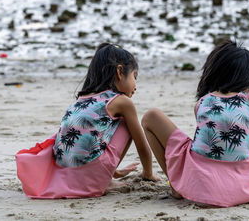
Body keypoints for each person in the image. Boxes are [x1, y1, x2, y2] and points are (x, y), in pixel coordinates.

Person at [16, 42, 160, 199]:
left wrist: (117, 172)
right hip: (91, 178)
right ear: (120, 72)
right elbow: (141, 144)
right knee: (128, 125)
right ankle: (105, 179)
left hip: (66, 176)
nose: (135, 85)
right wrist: (148, 173)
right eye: (135, 77)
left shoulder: (81, 100)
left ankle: (106, 175)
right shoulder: (122, 101)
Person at [141, 40, 249, 207]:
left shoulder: (202, 103)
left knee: (150, 116)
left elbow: (207, 146)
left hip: (201, 187)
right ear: (248, 78)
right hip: (243, 190)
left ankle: (175, 185)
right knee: (245, 131)